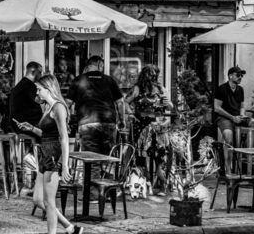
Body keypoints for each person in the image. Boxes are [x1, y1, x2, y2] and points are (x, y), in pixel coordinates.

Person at [16, 75, 83, 234]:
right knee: (38, 199)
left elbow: (64, 138)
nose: (37, 92)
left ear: (48, 88)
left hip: (53, 156)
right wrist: (31, 128)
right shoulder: (48, 107)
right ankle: (70, 228)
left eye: (39, 89)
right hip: (44, 154)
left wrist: (65, 165)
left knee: (49, 201)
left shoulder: (59, 107)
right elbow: (46, 134)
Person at [66, 55, 126, 187]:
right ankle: (107, 192)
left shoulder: (78, 80)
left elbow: (68, 103)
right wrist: (122, 120)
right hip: (108, 123)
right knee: (108, 158)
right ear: (99, 64)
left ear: (88, 66)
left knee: (92, 160)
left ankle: (93, 194)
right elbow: (120, 102)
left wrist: (65, 120)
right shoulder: (109, 80)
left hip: (87, 124)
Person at [125, 64, 172, 194]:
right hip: (141, 127)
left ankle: (162, 185)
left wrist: (167, 103)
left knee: (159, 158)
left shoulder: (161, 89)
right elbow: (125, 102)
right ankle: (145, 184)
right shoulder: (137, 89)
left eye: (155, 75)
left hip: (158, 128)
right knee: (141, 157)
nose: (153, 77)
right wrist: (130, 114)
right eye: (151, 75)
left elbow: (170, 107)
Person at [215, 66, 249, 173]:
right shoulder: (222, 89)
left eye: (241, 76)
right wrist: (232, 117)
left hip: (237, 117)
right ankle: (228, 170)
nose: (240, 77)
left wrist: (242, 115)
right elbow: (217, 108)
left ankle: (247, 168)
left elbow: (242, 106)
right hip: (225, 118)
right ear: (230, 76)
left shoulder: (240, 89)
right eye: (238, 75)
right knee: (228, 137)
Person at [7, 61, 44, 137]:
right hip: (25, 126)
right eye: (40, 72)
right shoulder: (29, 85)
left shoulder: (21, 84)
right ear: (33, 71)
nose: (41, 75)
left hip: (17, 125)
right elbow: (40, 100)